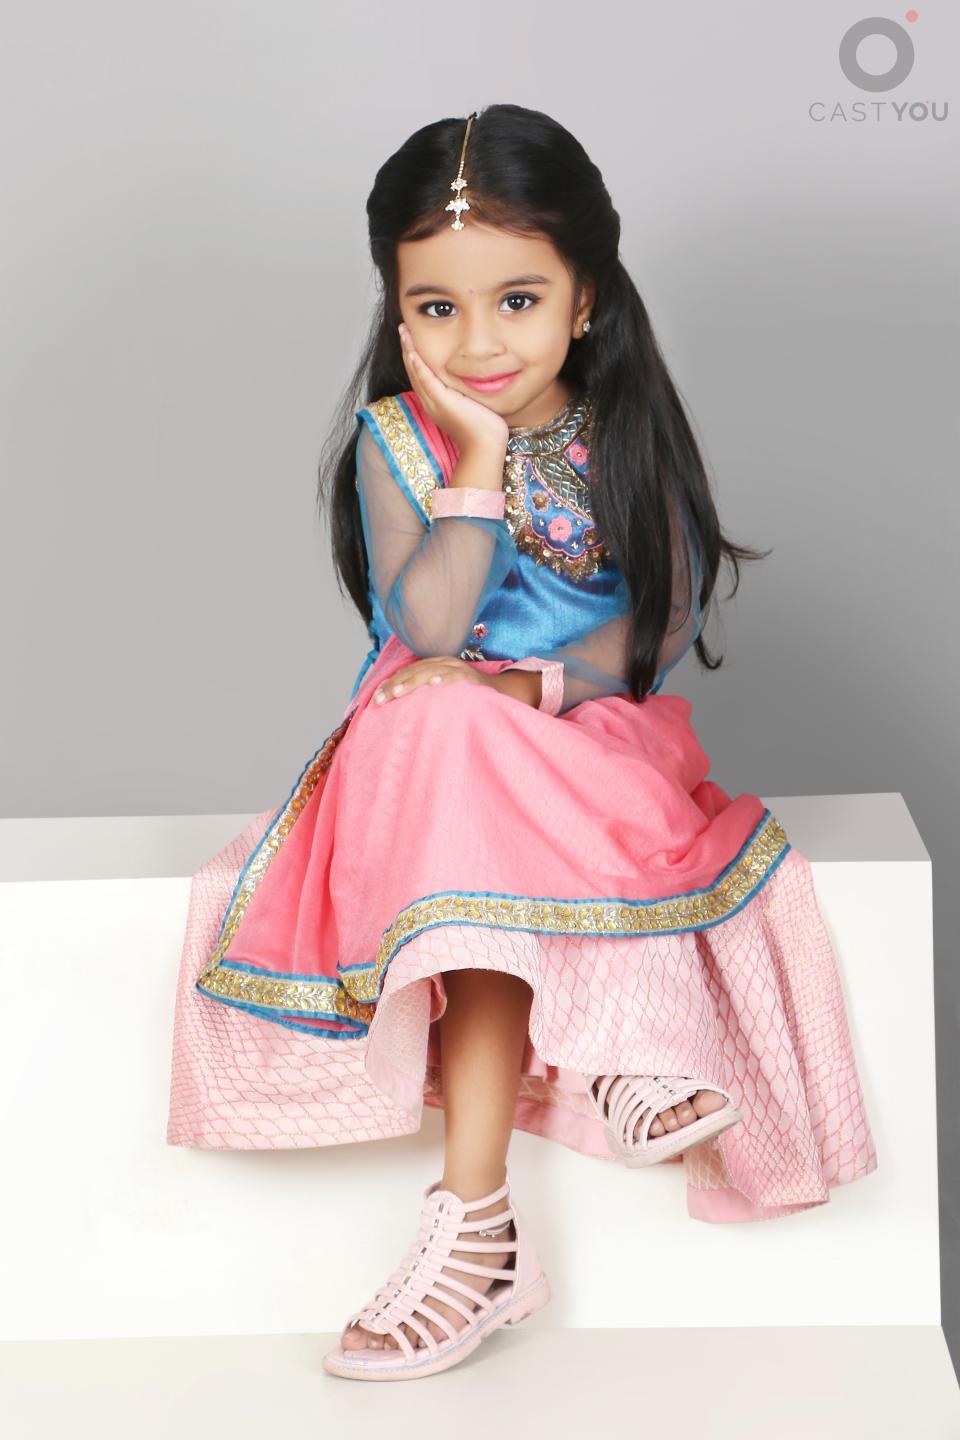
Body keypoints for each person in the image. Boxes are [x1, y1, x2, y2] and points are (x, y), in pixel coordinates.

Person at [166, 104, 878, 1382]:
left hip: (593, 738)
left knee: (471, 739)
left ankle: (519, 1175)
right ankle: (559, 1115)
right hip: (429, 761)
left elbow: (656, 632)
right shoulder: (397, 443)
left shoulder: (623, 431)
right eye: (436, 308)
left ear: (585, 297)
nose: (479, 342)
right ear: (395, 310)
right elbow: (432, 627)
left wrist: (529, 690)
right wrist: (481, 456)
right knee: (441, 721)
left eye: (517, 300)